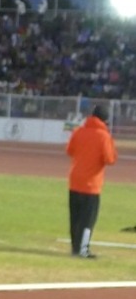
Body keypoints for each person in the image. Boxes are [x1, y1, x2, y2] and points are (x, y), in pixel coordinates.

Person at [66, 104, 117, 258]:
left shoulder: (79, 131)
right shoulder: (104, 136)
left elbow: (69, 151)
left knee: (75, 217)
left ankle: (75, 248)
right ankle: (83, 250)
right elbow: (110, 159)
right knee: (88, 220)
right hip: (91, 184)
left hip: (75, 181)